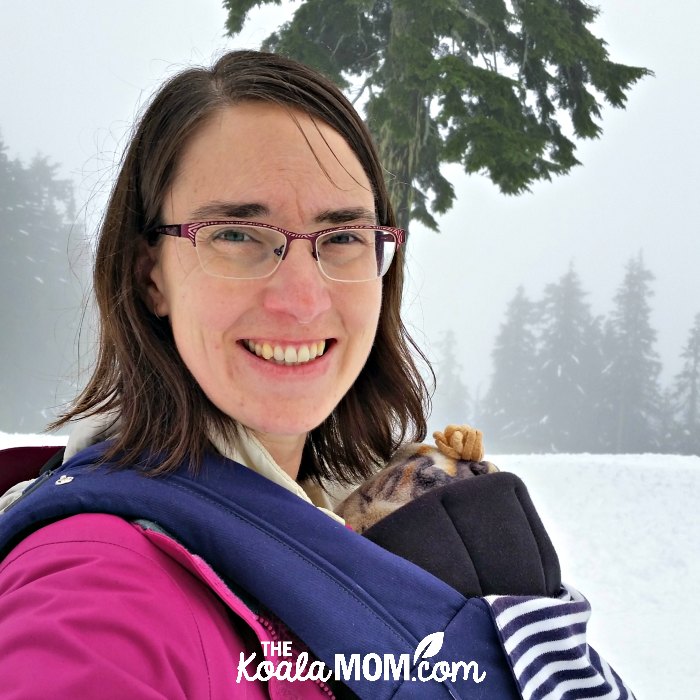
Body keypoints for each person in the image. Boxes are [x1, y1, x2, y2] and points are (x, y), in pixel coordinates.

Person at [0, 50, 635, 700]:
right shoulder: (96, 595)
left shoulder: (363, 529)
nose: (302, 300)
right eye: (237, 235)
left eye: (342, 237)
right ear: (149, 274)